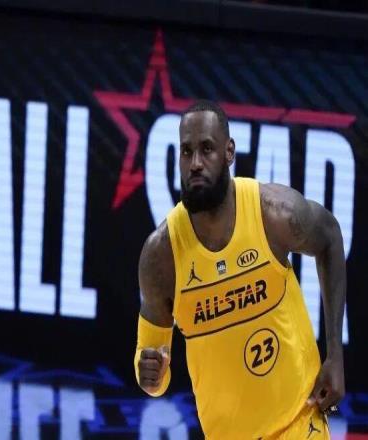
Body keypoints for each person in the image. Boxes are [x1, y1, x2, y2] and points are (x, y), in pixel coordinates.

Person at [134, 100, 345, 439]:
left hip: (300, 423)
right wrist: (149, 375)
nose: (195, 163)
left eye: (207, 149)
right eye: (187, 152)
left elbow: (330, 236)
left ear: (229, 152)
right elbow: (152, 370)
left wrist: (335, 355)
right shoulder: (161, 255)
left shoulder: (273, 213)